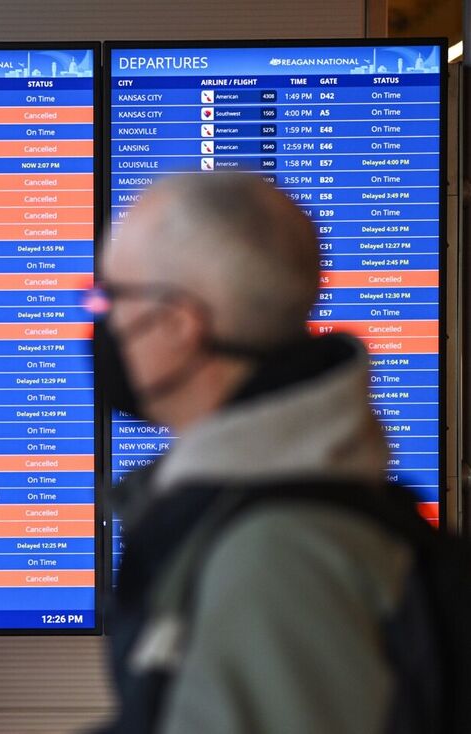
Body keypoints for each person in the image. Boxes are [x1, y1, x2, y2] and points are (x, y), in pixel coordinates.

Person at [97, 172, 422, 734]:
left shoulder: (277, 555)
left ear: (178, 325)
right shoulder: (244, 507)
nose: (102, 324)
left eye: (111, 298)